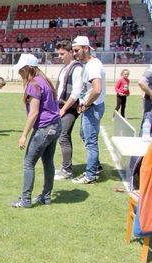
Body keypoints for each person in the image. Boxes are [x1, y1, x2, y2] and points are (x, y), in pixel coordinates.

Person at [10, 54, 61, 208]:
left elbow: (33, 113)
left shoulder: (34, 84)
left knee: (28, 163)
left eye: (21, 71)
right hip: (55, 125)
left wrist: (23, 135)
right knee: (48, 162)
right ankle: (46, 197)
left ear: (27, 69)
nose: (19, 74)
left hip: (44, 128)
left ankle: (25, 200)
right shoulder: (44, 81)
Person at [71, 36, 105, 184]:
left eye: (76, 50)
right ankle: (96, 165)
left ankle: (90, 175)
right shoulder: (89, 64)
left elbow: (97, 89)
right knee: (84, 135)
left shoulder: (92, 65)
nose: (74, 53)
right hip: (92, 106)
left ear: (86, 48)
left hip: (93, 107)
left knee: (90, 142)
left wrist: (86, 104)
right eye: (73, 51)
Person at [54, 40, 83, 181]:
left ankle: (67, 170)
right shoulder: (65, 68)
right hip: (61, 106)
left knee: (63, 136)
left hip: (69, 108)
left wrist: (63, 109)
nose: (59, 56)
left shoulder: (77, 68)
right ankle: (66, 166)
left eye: (62, 54)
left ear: (71, 52)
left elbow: (76, 92)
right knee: (65, 136)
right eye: (58, 54)